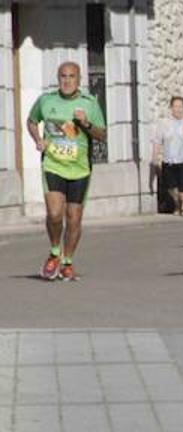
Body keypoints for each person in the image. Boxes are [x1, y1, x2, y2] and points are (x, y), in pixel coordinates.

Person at [26, 61, 106, 281]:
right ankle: (54, 253)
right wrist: (38, 139)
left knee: (73, 219)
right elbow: (32, 121)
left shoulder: (89, 104)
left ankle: (67, 261)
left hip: (79, 169)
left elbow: (102, 135)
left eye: (71, 76)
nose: (67, 80)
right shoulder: (46, 101)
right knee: (54, 214)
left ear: (79, 80)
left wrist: (86, 124)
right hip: (53, 165)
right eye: (63, 76)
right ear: (58, 79)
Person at [151, 95, 183, 216]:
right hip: (169, 160)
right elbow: (157, 141)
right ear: (171, 108)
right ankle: (178, 202)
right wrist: (155, 157)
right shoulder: (164, 124)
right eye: (175, 106)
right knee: (171, 187)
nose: (177, 109)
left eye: (180, 106)